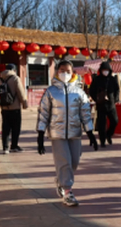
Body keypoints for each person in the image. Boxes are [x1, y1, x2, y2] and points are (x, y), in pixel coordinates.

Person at [37, 60, 95, 206]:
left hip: (75, 133)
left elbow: (85, 113)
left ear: (73, 73)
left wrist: (90, 132)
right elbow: (43, 113)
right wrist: (40, 133)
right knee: (64, 162)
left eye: (68, 71)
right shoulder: (51, 91)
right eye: (62, 70)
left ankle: (61, 180)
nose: (65, 73)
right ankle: (68, 192)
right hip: (57, 134)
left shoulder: (79, 93)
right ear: (57, 71)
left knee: (74, 162)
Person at [0, 63, 28, 154]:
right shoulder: (15, 78)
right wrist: (24, 103)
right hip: (15, 107)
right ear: (14, 70)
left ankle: (5, 147)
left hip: (4, 108)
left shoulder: (0, 79)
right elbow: (21, 92)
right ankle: (14, 146)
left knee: (5, 128)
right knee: (15, 128)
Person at [89, 61, 120, 147]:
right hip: (101, 104)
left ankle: (109, 134)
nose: (105, 71)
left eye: (107, 70)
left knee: (115, 121)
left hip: (111, 104)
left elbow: (117, 90)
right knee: (101, 124)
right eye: (104, 70)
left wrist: (115, 99)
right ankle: (102, 141)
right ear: (101, 70)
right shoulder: (97, 79)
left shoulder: (113, 79)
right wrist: (96, 99)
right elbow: (92, 91)